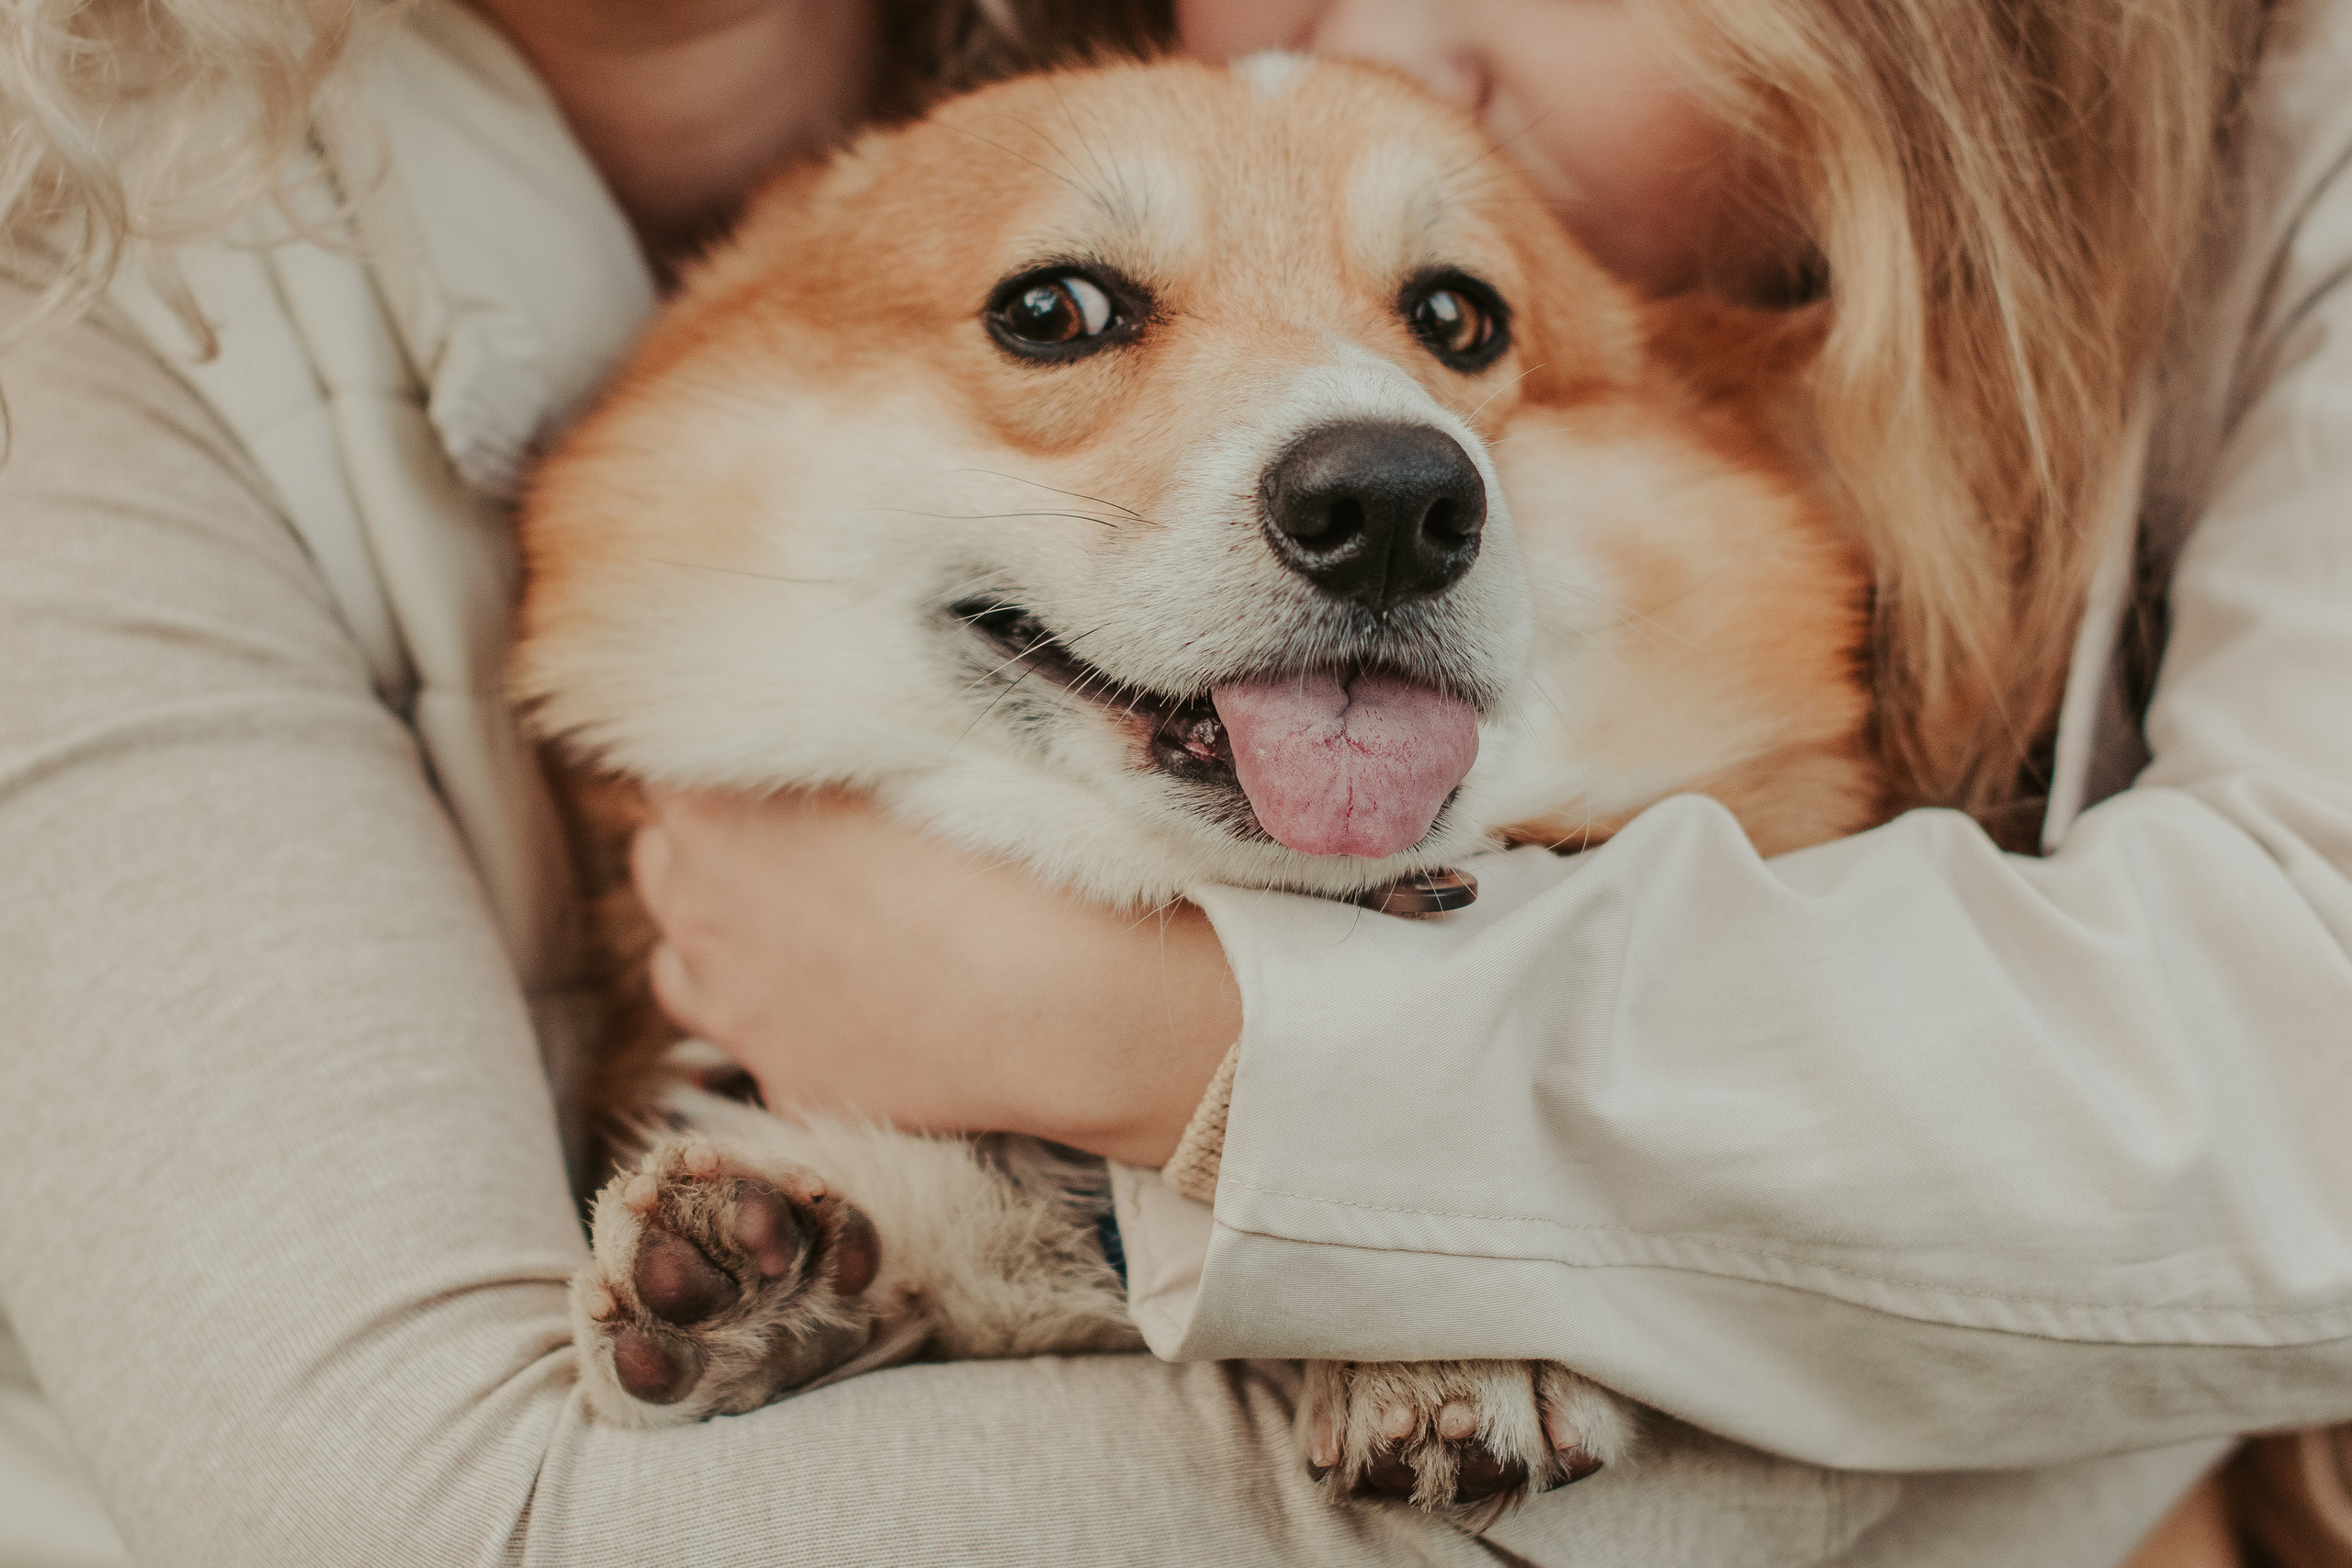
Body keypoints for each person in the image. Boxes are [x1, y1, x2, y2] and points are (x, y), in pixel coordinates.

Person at [0, 6, 2335, 1568]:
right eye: (1061, 316)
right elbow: (424, 1513)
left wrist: (1193, 1049)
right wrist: (2024, 1371)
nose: (1384, 465)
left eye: (1452, 324)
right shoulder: (84, 355)